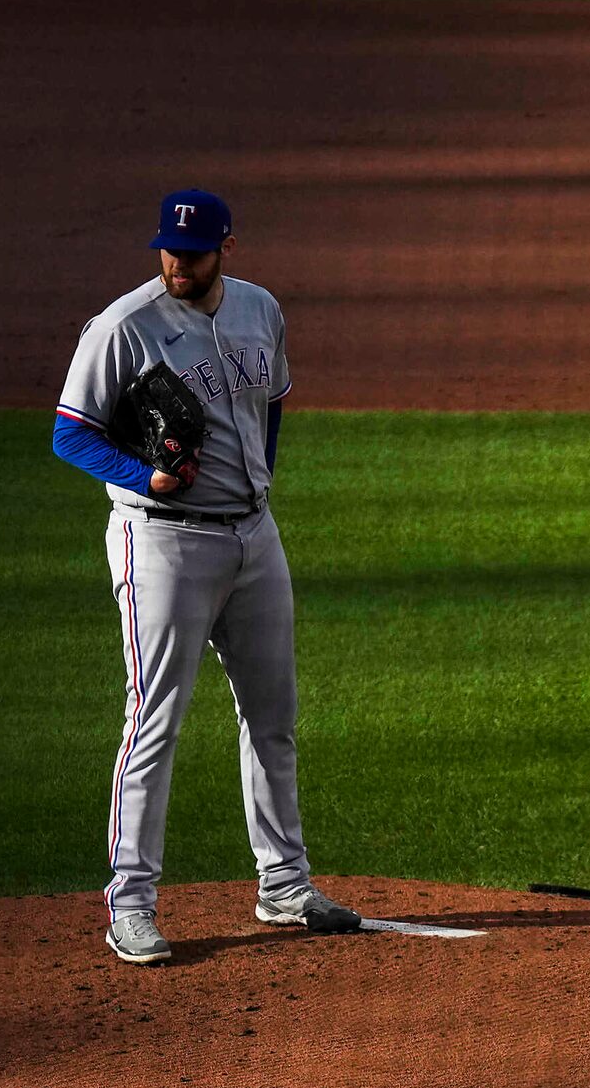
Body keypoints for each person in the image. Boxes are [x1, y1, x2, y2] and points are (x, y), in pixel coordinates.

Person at [50, 188, 360, 963]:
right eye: (167, 252)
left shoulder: (260, 310)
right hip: (163, 546)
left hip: (254, 540)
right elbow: (69, 434)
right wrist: (141, 476)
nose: (176, 264)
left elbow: (273, 406)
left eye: (191, 254)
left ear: (226, 248)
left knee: (273, 716)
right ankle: (131, 906)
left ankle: (284, 885)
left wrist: (257, 486)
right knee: (153, 722)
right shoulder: (122, 327)